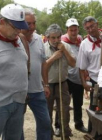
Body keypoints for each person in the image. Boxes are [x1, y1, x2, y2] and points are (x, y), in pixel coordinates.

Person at [76, 16, 102, 133]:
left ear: (97, 24)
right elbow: (81, 67)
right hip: (96, 81)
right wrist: (84, 83)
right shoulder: (85, 44)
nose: (90, 30)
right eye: (87, 28)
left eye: (92, 26)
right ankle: (93, 133)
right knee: (94, 108)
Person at [21, 8, 51, 140]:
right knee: (16, 126)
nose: (32, 27)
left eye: (34, 23)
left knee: (45, 123)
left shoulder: (39, 39)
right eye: (28, 24)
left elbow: (43, 63)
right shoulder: (14, 41)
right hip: (19, 92)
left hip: (37, 90)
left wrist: (46, 84)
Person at [0, 4, 29, 140]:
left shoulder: (19, 40)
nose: (18, 31)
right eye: (15, 27)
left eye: (20, 27)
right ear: (2, 22)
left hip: (18, 103)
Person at [44, 24, 76, 140]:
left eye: (58, 37)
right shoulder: (43, 48)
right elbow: (42, 67)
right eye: (53, 38)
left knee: (64, 111)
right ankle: (48, 136)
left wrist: (64, 52)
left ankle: (65, 134)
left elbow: (73, 63)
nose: (56, 40)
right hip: (47, 84)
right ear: (47, 37)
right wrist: (53, 57)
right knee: (47, 112)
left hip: (63, 83)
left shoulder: (66, 46)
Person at [61, 18, 88, 133]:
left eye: (75, 30)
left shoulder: (80, 40)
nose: (73, 32)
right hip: (66, 77)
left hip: (78, 77)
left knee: (78, 103)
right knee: (64, 105)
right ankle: (60, 126)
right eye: (71, 30)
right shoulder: (62, 41)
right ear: (67, 30)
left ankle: (78, 123)